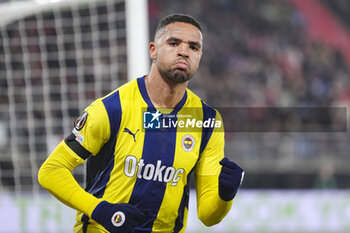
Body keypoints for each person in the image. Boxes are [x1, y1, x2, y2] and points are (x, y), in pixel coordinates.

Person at [38, 14, 244, 233]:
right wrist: (100, 210)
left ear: (200, 56)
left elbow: (208, 216)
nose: (184, 51)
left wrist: (225, 196)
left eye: (194, 47)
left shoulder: (207, 122)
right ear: (153, 50)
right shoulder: (112, 108)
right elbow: (51, 171)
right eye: (174, 43)